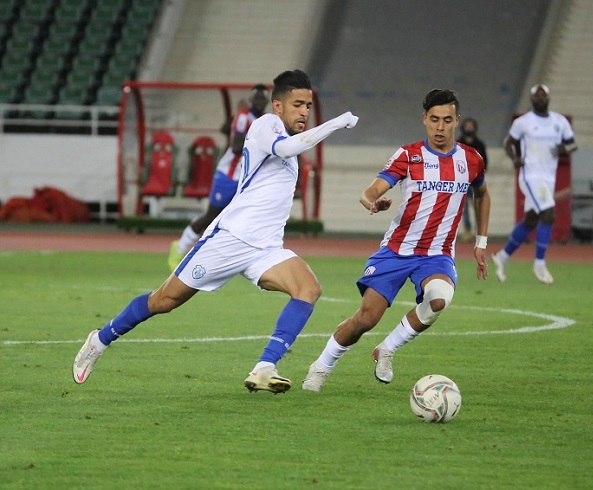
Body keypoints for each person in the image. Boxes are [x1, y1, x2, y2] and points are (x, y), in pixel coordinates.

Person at [73, 70, 358, 393]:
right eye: (297, 104)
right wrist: (335, 123)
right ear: (278, 106)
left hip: (265, 248)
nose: (304, 111)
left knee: (308, 289)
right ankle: (100, 339)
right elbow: (286, 148)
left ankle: (265, 367)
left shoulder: (288, 144)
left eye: (308, 105)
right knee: (164, 300)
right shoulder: (266, 125)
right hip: (229, 239)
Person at [302, 89, 491, 392]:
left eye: (446, 120)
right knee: (367, 319)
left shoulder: (471, 159)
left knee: (439, 299)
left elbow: (482, 194)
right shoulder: (409, 155)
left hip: (437, 254)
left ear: (457, 121)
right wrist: (372, 203)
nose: (440, 127)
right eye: (434, 119)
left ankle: (387, 348)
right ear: (424, 119)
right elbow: (370, 191)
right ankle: (321, 366)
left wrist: (480, 242)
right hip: (396, 251)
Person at [167, 84, 270, 271]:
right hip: (229, 175)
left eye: (262, 99)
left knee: (248, 217)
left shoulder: (265, 121)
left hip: (246, 177)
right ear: (251, 99)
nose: (259, 102)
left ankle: (246, 259)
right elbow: (237, 146)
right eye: (256, 98)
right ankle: (180, 246)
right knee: (212, 216)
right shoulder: (243, 117)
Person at [491, 83, 577, 285]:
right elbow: (509, 143)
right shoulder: (523, 122)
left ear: (548, 98)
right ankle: (539, 263)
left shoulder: (560, 121)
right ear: (531, 100)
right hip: (530, 175)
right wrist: (515, 158)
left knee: (531, 220)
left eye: (543, 95)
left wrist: (563, 149)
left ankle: (503, 256)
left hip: (548, 178)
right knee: (548, 213)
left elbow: (572, 144)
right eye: (536, 96)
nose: (540, 98)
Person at [457, 117, 488, 240]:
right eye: (467, 126)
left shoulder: (479, 145)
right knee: (464, 207)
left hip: (476, 180)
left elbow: (485, 162)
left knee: (478, 205)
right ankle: (468, 229)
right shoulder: (457, 144)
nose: (469, 128)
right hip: (462, 181)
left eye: (471, 126)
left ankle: (479, 229)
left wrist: (480, 175)